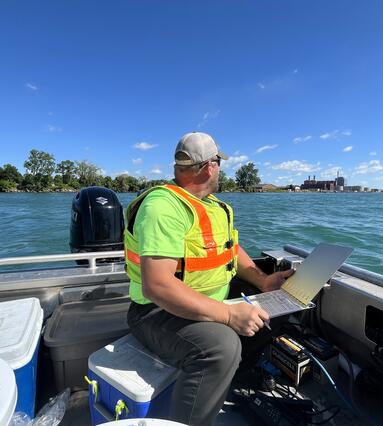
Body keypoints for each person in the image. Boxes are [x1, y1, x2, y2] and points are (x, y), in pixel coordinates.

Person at [125, 132, 293, 426]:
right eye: (218, 162)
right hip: (155, 312)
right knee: (221, 347)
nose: (220, 168)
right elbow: (158, 286)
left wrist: (265, 283)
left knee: (276, 305)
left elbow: (231, 249)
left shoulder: (214, 206)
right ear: (209, 167)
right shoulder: (162, 207)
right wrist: (228, 315)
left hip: (207, 300)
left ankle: (231, 380)